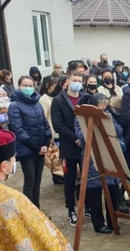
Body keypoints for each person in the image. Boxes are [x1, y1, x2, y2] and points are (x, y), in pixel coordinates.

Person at [74, 93, 125, 234]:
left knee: (113, 192)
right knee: (95, 194)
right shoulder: (81, 118)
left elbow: (119, 131)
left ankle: (113, 220)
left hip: (109, 157)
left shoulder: (108, 114)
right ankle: (98, 223)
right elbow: (82, 137)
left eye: (105, 106)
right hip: (92, 160)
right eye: (100, 107)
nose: (103, 109)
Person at [8, 75, 52, 208]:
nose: (28, 88)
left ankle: (36, 207)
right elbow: (18, 130)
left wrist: (45, 144)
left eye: (30, 85)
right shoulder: (14, 106)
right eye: (25, 85)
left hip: (40, 147)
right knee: (30, 180)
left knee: (38, 181)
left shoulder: (37, 104)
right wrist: (36, 147)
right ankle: (28, 209)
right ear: (19, 87)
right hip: (27, 148)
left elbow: (45, 124)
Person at [51, 71, 85, 226]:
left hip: (85, 146)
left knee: (87, 178)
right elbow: (58, 125)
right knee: (70, 180)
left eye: (79, 80)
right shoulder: (58, 101)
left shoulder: (84, 98)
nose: (77, 82)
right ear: (67, 82)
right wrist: (75, 138)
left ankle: (87, 206)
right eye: (74, 80)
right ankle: (71, 209)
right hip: (69, 147)